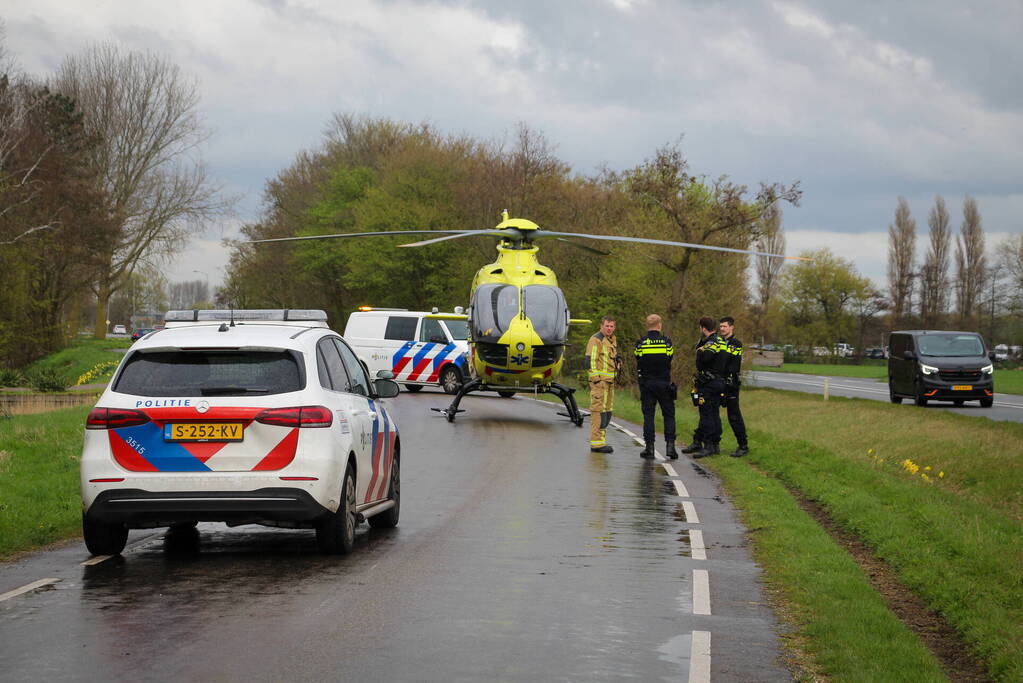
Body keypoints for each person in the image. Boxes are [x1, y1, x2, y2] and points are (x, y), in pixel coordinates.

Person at [681, 316, 727, 458]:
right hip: (718, 382)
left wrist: (700, 352)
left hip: (709, 383)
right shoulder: (721, 340)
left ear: (703, 328)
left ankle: (708, 446)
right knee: (713, 414)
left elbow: (705, 360)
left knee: (707, 414)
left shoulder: (711, 342)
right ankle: (713, 444)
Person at [635, 314, 677, 459]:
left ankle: (650, 448)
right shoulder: (667, 342)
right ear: (659, 326)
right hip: (664, 384)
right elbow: (670, 358)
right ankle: (670, 447)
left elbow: (638, 359)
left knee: (649, 416)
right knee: (669, 415)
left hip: (647, 384)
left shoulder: (641, 343)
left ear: (648, 326)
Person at [586, 315, 619, 453]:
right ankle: (596, 443)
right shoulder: (596, 340)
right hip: (600, 384)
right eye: (607, 325)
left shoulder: (611, 340)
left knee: (607, 412)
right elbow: (590, 361)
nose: (609, 328)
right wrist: (597, 380)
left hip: (610, 383)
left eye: (611, 326)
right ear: (601, 325)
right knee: (598, 411)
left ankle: (601, 441)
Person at [718, 316, 749, 457]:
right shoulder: (718, 341)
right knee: (709, 412)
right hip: (717, 382)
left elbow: (730, 364)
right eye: (721, 326)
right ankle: (709, 443)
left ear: (731, 327)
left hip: (731, 384)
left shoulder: (736, 344)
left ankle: (743, 445)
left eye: (724, 326)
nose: (722, 329)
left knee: (734, 415)